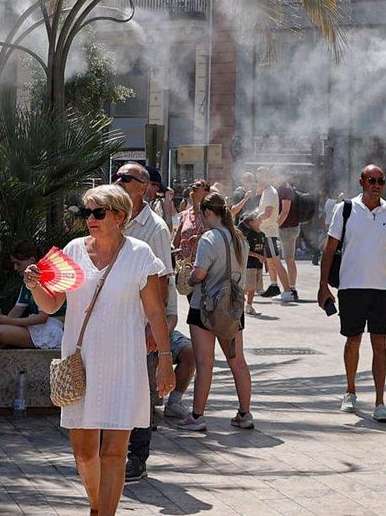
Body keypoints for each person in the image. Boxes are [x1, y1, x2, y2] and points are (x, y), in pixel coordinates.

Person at [20, 185, 174, 516]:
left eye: (99, 211)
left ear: (120, 216)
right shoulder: (72, 251)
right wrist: (37, 284)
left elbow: (155, 313)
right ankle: (96, 506)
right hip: (82, 363)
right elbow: (52, 305)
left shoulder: (141, 256)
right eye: (86, 210)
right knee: (84, 450)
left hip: (125, 364)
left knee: (114, 453)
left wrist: (166, 360)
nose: (90, 218)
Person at [115, 162, 193, 480]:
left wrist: (165, 322)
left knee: (142, 390)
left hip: (144, 318)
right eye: (117, 177)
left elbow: (165, 277)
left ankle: (138, 455)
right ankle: (114, 450)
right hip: (116, 315)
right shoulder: (111, 218)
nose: (118, 181)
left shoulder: (155, 227)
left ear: (143, 186)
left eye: (126, 178)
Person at [316, 164, 386, 424]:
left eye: (381, 180)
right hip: (351, 287)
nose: (376, 184)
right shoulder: (344, 209)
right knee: (353, 340)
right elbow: (329, 249)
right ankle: (350, 391)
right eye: (371, 180)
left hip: (381, 288)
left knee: (380, 343)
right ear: (361, 182)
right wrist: (323, 286)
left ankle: (380, 402)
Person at [177, 191, 254, 431]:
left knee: (204, 362)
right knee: (237, 361)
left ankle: (197, 416)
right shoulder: (240, 238)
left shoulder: (209, 239)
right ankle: (245, 413)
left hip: (205, 308)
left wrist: (187, 277)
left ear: (208, 212)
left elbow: (199, 274)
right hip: (232, 309)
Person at [0, 243, 65, 350]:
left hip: (52, 329)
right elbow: (16, 311)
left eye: (18, 263)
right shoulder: (25, 285)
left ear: (32, 260)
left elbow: (42, 318)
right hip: (36, 328)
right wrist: (3, 320)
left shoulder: (47, 279)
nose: (15, 268)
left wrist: (9, 321)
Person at [255, 168, 292, 299]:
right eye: (258, 177)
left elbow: (268, 212)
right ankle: (275, 287)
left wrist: (255, 218)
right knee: (271, 261)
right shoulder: (266, 191)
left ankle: (287, 291)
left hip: (269, 232)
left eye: (261, 177)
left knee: (275, 261)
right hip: (266, 231)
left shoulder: (270, 192)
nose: (258, 180)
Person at [276, 174, 301, 301]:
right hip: (288, 228)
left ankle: (292, 289)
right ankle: (291, 288)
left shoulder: (285, 190)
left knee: (289, 258)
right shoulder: (285, 188)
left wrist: (276, 225)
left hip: (288, 228)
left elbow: (285, 211)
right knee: (288, 258)